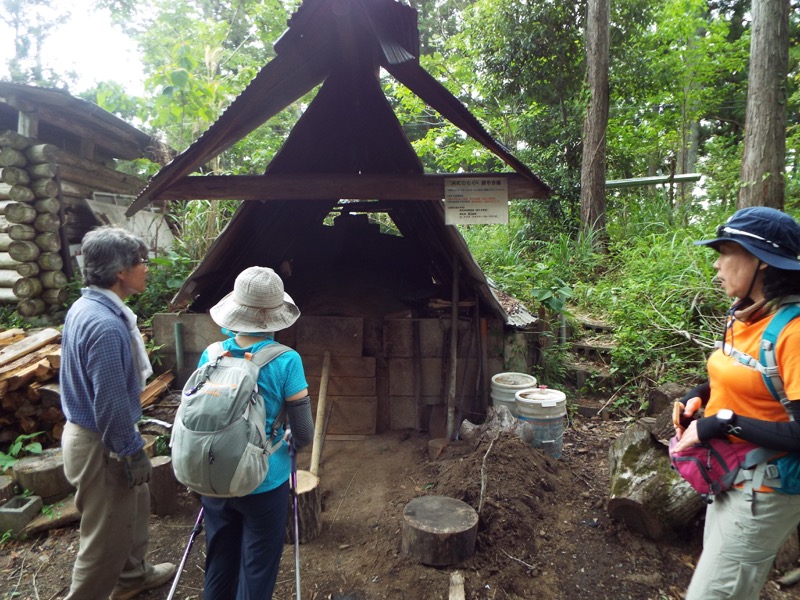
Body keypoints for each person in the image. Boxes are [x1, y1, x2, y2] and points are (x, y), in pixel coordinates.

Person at [672, 206, 800, 599]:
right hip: (733, 478)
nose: (717, 265)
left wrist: (719, 423)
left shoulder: (793, 332)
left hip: (764, 492)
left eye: (725, 252)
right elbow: (743, 374)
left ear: (760, 261)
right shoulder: (747, 316)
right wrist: (701, 394)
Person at [60, 226, 176, 600]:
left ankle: (133, 577)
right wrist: (129, 450)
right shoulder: (106, 325)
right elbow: (108, 405)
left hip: (102, 432)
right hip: (100, 441)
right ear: (120, 272)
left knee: (136, 506)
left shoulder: (91, 306)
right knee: (104, 537)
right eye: (141, 262)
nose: (147, 268)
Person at [200, 266, 315, 599]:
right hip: (264, 479)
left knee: (219, 559)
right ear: (275, 316)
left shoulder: (211, 354)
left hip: (214, 475)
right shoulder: (286, 360)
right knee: (258, 565)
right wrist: (290, 447)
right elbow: (303, 430)